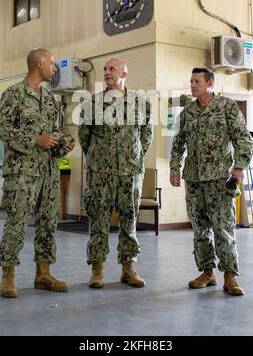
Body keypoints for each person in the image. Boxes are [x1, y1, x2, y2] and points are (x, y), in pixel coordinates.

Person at [170, 67, 253, 296]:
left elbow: (244, 140)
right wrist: (174, 168)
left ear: (210, 84)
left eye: (196, 81)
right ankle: (207, 272)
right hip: (194, 179)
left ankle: (230, 276)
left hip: (219, 179)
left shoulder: (226, 107)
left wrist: (238, 167)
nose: (192, 84)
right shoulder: (187, 111)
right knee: (199, 228)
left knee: (223, 228)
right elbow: (178, 144)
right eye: (191, 81)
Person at [0, 48, 74, 298]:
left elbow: (57, 131)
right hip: (22, 173)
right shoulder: (13, 94)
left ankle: (43, 274)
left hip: (49, 172)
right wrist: (35, 139)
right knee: (17, 223)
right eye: (52, 63)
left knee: (47, 224)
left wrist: (64, 143)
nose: (54, 68)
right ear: (39, 64)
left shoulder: (50, 99)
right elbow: (3, 130)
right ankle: (7, 276)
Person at [78, 58, 153, 288]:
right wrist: (99, 159)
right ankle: (97, 269)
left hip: (130, 174)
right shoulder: (92, 104)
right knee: (98, 222)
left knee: (129, 222)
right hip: (100, 174)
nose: (107, 73)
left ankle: (128, 268)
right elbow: (84, 137)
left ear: (124, 73)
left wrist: (132, 157)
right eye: (105, 70)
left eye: (112, 69)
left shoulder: (141, 104)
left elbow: (146, 136)